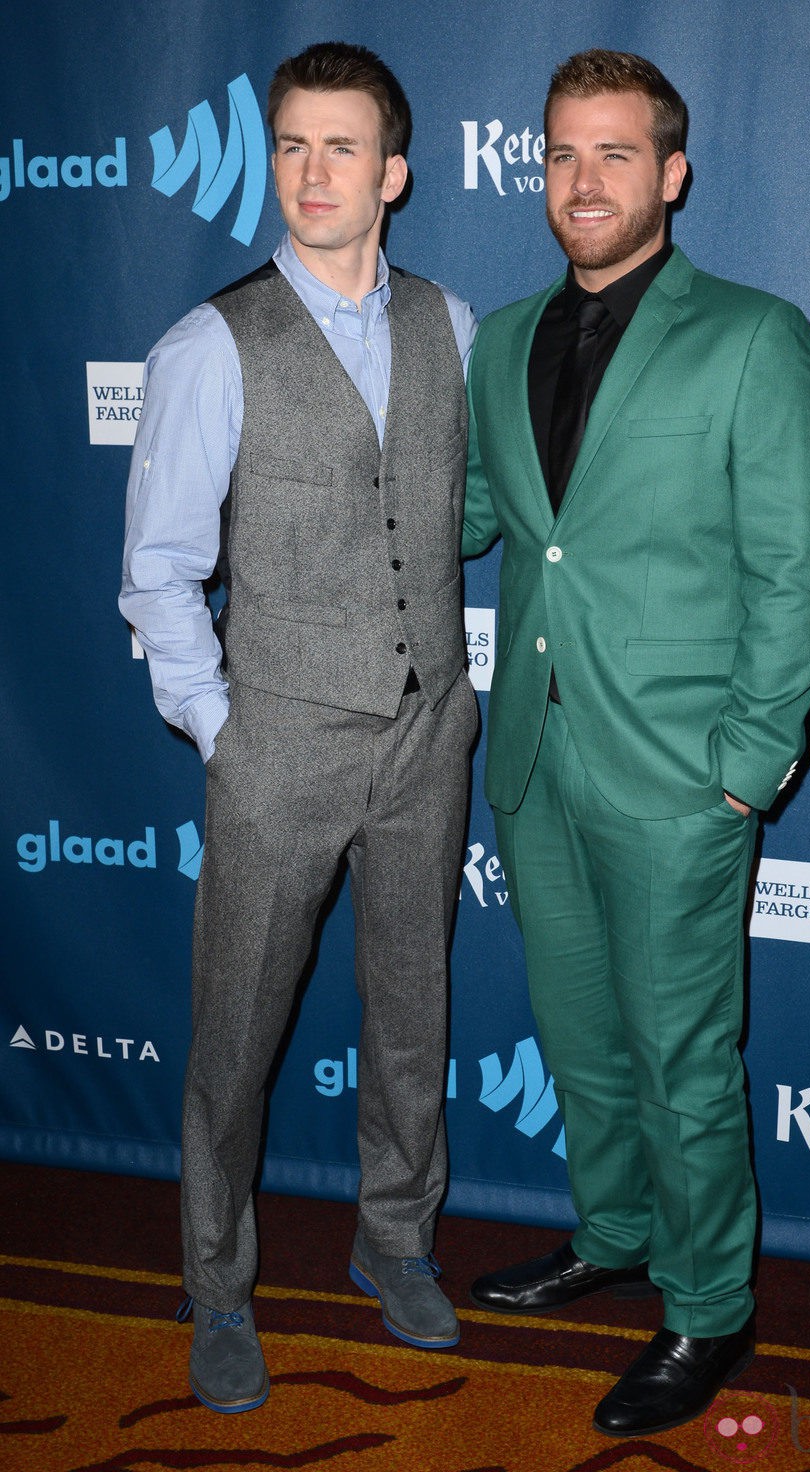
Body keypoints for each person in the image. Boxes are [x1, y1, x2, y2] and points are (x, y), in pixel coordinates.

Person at [462, 48, 810, 1438]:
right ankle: (612, 1235)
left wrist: (748, 763)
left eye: (616, 154)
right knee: (581, 1040)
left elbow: (797, 572)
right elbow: (479, 524)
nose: (584, 180)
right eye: (562, 153)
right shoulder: (498, 340)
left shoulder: (753, 334)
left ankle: (704, 1306)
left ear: (672, 175)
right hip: (538, 762)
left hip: (682, 771)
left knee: (684, 1057)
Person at [120, 41, 478, 1413]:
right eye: (290, 147)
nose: (312, 175)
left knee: (412, 1015)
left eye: (341, 149)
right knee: (237, 1039)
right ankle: (217, 1284)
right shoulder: (214, 342)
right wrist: (225, 729)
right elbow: (159, 568)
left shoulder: (451, 327)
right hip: (278, 747)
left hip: (426, 736)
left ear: (392, 173)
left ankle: (394, 1244)